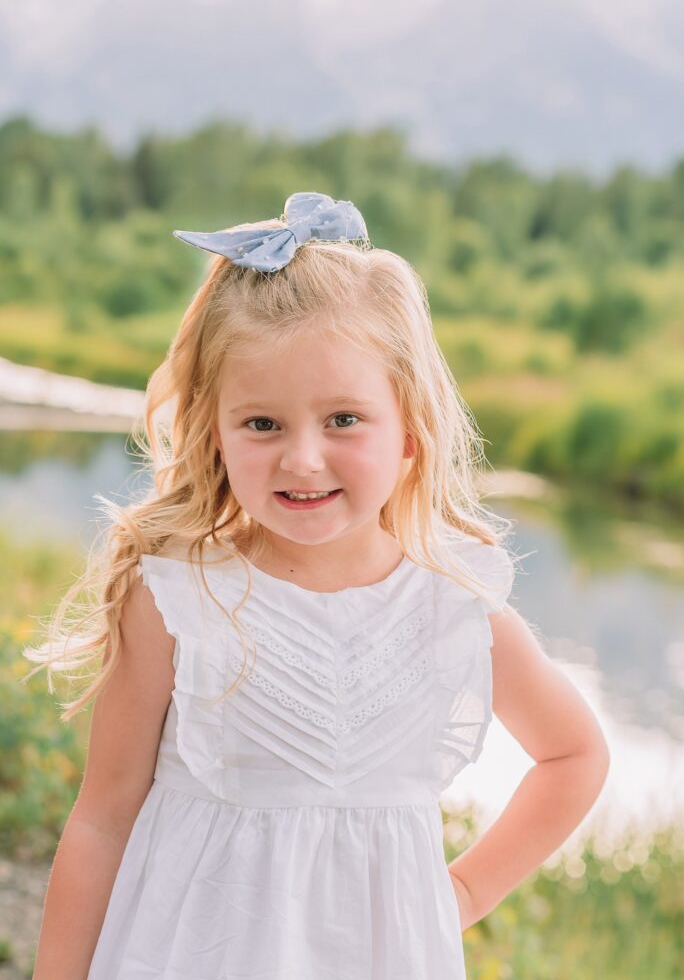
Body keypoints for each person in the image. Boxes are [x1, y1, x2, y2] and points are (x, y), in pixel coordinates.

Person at [24, 191, 610, 979]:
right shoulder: (179, 599)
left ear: (410, 428)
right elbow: (101, 818)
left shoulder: (454, 607)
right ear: (216, 432)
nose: (303, 459)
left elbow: (575, 755)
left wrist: (464, 892)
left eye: (343, 420)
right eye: (262, 424)